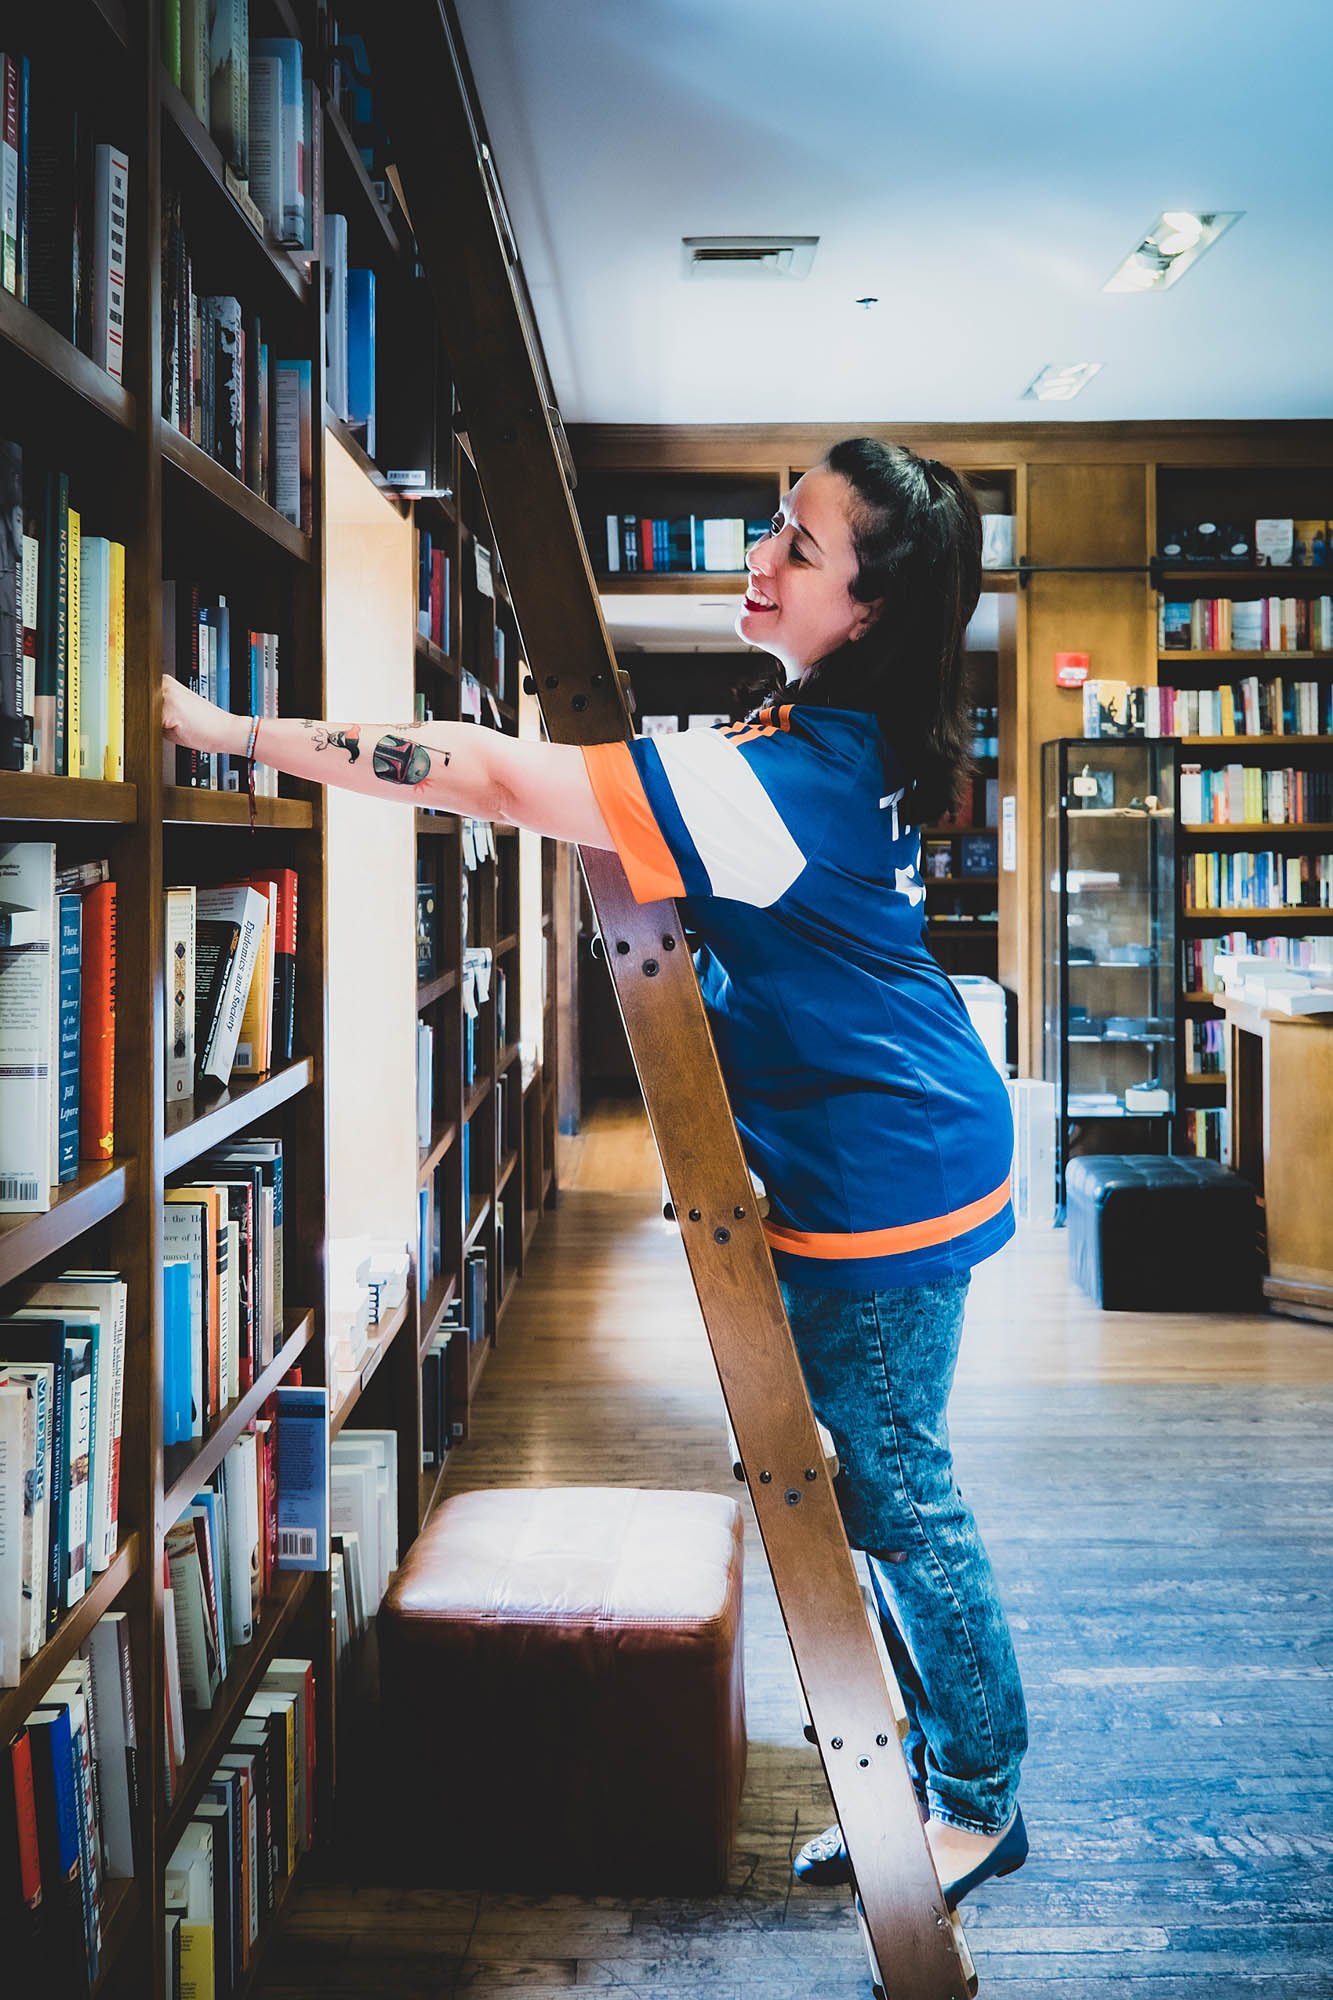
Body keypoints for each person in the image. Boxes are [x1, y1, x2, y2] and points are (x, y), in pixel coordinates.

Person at [161, 435, 1029, 1906]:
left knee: (893, 1495)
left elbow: (491, 774)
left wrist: (230, 733)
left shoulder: (789, 778)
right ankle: (942, 1774)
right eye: (771, 525)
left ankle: (979, 1798)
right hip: (879, 1134)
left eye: (797, 551)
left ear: (867, 609)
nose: (758, 559)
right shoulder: (833, 730)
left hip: (884, 1165)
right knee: (868, 1482)